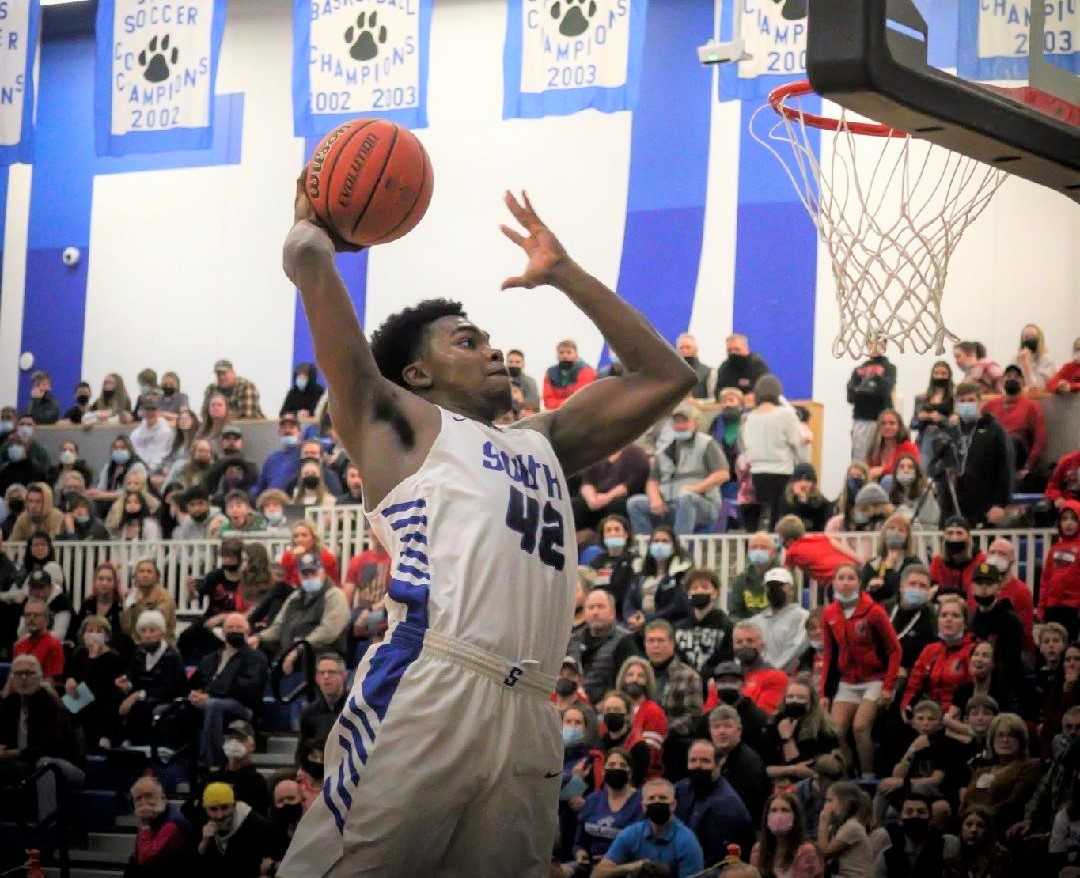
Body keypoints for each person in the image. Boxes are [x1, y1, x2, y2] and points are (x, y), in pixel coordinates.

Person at [277, 186, 695, 878]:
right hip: (432, 686)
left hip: (531, 708)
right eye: (468, 343)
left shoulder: (542, 441)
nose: (494, 352)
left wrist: (565, 273)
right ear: (417, 374)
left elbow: (665, 375)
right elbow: (311, 267)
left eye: (491, 342)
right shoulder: (398, 423)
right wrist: (313, 225)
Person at [821, 562, 902, 778]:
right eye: (841, 578)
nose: (845, 583)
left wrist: (888, 686)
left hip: (874, 678)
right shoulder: (829, 613)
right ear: (834, 583)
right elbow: (829, 654)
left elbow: (895, 649)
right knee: (836, 731)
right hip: (848, 680)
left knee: (860, 727)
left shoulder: (874, 611)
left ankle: (868, 775)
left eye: (851, 578)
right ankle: (847, 774)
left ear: (859, 583)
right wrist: (823, 693)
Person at [627, 402, 728, 536]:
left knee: (686, 498)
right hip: (670, 503)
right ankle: (647, 544)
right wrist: (655, 498)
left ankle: (679, 544)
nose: (680, 426)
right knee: (635, 503)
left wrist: (695, 489)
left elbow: (722, 474)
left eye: (684, 421)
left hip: (703, 504)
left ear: (695, 423)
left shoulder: (706, 443)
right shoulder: (663, 450)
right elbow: (652, 481)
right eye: (676, 422)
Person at [187, 613, 269, 769]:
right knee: (179, 706)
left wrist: (210, 695)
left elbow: (247, 688)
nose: (234, 631)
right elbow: (195, 682)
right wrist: (194, 693)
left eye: (239, 628)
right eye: (230, 627)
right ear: (223, 632)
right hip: (209, 701)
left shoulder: (256, 658)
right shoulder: (210, 658)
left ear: (247, 632)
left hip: (242, 706)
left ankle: (214, 762)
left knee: (214, 705)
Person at [250, 552, 349, 668]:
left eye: (313, 572)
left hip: (323, 658)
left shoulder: (334, 595)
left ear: (323, 572)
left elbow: (327, 632)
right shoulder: (295, 597)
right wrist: (259, 637)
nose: (310, 577)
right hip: (291, 654)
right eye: (305, 574)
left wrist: (299, 648)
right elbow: (278, 627)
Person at [0, 655, 84, 791]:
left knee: (44, 765)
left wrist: (13, 753)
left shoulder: (50, 703)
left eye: (29, 673)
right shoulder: (9, 703)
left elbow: (49, 747)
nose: (23, 678)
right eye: (18, 673)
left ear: (40, 677)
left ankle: (46, 806)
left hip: (59, 762)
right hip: (25, 762)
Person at [594, 777, 704, 878]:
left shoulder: (687, 841)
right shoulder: (631, 833)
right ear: (643, 806)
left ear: (673, 805)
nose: (657, 801)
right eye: (651, 798)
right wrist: (630, 867)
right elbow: (597, 874)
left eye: (663, 798)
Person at [938, 383, 1012, 527]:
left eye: (971, 400)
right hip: (953, 507)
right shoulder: (950, 431)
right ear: (956, 404)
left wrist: (1000, 504)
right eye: (962, 401)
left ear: (980, 402)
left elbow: (1004, 468)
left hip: (984, 506)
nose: (966, 404)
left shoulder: (994, 430)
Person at [741, 374, 805, 531]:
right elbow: (797, 441)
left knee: (763, 517)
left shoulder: (749, 418)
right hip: (783, 472)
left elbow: (746, 446)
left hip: (758, 473)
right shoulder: (786, 414)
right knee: (780, 517)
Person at [675, 738, 754, 863]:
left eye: (705, 761)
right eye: (693, 760)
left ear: (719, 764)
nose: (698, 766)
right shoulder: (681, 789)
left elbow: (714, 857)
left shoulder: (726, 804)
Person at [115, 610, 188, 744]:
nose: (147, 635)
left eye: (152, 631)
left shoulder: (172, 656)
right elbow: (132, 676)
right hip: (142, 695)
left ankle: (136, 744)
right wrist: (126, 683)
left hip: (166, 698)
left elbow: (171, 688)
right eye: (143, 631)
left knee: (141, 705)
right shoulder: (139, 652)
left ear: (161, 633)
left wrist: (138, 694)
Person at [962, 713, 1041, 834]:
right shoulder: (982, 770)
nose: (1005, 740)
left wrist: (980, 817)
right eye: (1000, 735)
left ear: (1021, 741)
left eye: (1011, 736)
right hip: (969, 827)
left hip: (1001, 827)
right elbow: (966, 802)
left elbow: (1014, 803)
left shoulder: (1029, 766)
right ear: (992, 740)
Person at [572, 747, 643, 871]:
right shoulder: (592, 800)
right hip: (590, 865)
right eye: (612, 765)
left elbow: (642, 846)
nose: (616, 768)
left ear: (630, 773)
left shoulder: (641, 803)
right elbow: (579, 843)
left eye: (622, 765)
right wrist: (581, 854)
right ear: (603, 772)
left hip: (624, 869)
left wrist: (610, 861)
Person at [196, 781, 284, 876]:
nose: (219, 815)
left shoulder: (257, 826)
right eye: (213, 809)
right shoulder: (205, 823)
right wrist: (205, 841)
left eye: (225, 808)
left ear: (234, 805)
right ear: (205, 809)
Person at [64, 614, 125, 750]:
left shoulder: (113, 657)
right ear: (83, 635)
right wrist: (70, 680)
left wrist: (94, 655)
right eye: (90, 631)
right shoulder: (79, 653)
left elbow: (109, 686)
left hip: (104, 699)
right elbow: (72, 674)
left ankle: (105, 738)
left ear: (107, 636)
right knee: (65, 704)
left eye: (98, 631)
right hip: (81, 697)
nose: (93, 635)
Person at [983, 363, 1047, 490]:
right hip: (993, 455)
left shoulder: (1032, 407)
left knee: (1011, 440)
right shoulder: (990, 406)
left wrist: (1027, 467)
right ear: (1002, 381)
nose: (1012, 379)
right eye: (1008, 376)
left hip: (1018, 455)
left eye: (1017, 376)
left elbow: (1040, 441)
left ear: (1023, 381)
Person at [763, 678, 839, 784]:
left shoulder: (823, 729)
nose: (794, 701)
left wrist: (787, 739)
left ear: (811, 703)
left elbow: (805, 772)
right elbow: (764, 768)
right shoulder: (775, 723)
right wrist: (792, 769)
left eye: (801, 697)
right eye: (790, 697)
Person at [871, 790, 960, 877]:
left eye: (921, 812)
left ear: (930, 818)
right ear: (900, 819)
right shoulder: (887, 855)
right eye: (909, 812)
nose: (915, 815)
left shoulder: (946, 845)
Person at [708, 705, 771, 827]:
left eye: (728, 726)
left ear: (739, 730)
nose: (722, 731)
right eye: (716, 727)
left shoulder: (748, 763)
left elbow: (743, 809)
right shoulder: (714, 757)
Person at [969, 561, 1026, 693]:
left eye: (989, 584)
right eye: (979, 583)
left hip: (1001, 687)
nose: (984, 588)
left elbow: (1011, 663)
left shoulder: (1010, 621)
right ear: (972, 587)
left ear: (999, 588)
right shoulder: (970, 619)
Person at [197, 720, 273, 817]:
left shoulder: (257, 782)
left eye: (240, 739)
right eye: (230, 738)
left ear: (252, 745)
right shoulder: (211, 778)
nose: (234, 742)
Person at [574, 444, 651, 538]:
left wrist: (607, 497)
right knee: (577, 505)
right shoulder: (597, 454)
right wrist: (592, 499)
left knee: (616, 505)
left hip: (620, 497)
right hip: (596, 498)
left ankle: (612, 536)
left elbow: (631, 484)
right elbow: (586, 482)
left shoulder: (635, 453)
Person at [127, 773, 195, 878]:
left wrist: (145, 826)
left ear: (163, 798)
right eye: (138, 798)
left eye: (148, 796)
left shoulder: (172, 824)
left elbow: (147, 860)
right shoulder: (153, 816)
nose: (143, 802)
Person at [624, 525, 692, 629]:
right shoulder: (639, 571)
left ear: (674, 547)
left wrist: (648, 619)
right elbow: (629, 600)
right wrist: (631, 616)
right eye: (656, 541)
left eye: (665, 541)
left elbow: (678, 605)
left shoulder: (681, 571)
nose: (659, 545)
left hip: (669, 625)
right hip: (639, 624)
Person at [674, 569, 734, 683]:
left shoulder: (726, 625)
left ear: (715, 593)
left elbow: (728, 660)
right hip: (685, 685)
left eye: (705, 587)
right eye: (694, 588)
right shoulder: (678, 628)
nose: (699, 591)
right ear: (688, 593)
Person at [569, 589, 629, 703]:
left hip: (608, 705)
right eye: (591, 607)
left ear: (612, 612)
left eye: (600, 607)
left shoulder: (626, 640)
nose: (595, 612)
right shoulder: (573, 640)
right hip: (574, 704)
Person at [699, 661, 770, 756]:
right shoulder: (706, 720)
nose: (728, 685)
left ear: (743, 684)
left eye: (733, 681)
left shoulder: (756, 716)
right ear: (715, 685)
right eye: (723, 681)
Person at [751, 790, 825, 878]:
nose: (779, 815)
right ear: (767, 816)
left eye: (785, 810)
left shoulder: (806, 851)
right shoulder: (758, 851)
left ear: (795, 817)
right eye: (773, 810)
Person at [749, 567, 809, 673]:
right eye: (770, 587)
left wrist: (772, 672)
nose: (774, 590)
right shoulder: (754, 622)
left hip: (787, 677)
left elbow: (795, 650)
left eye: (780, 586)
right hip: (758, 677)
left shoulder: (802, 617)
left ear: (791, 590)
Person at [848, 336, 897, 463]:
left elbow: (885, 390)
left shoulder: (889, 368)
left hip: (882, 420)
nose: (875, 345)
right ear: (867, 345)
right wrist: (868, 386)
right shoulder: (858, 370)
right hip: (862, 420)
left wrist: (874, 379)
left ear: (885, 345)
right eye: (871, 342)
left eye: (879, 342)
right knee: (860, 460)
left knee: (883, 458)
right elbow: (851, 396)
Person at [979, 537, 1035, 649]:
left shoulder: (1021, 591)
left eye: (1002, 554)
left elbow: (1025, 632)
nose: (996, 557)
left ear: (1012, 560)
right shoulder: (979, 587)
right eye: (992, 552)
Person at [778, 515, 859, 589]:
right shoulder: (819, 538)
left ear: (789, 540)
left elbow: (785, 576)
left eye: (781, 538)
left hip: (835, 579)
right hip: (852, 570)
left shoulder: (791, 551)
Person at [1039, 500, 1080, 640]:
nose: (1069, 523)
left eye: (1073, 519)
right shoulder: (1054, 549)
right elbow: (1045, 580)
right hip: (1052, 607)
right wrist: (1041, 607)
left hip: (1073, 608)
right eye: (1064, 518)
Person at [859, 514, 920, 605]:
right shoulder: (872, 565)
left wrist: (892, 566)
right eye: (892, 528)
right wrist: (869, 589)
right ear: (884, 533)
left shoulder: (913, 563)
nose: (896, 532)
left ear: (907, 537)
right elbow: (861, 595)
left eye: (901, 530)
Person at [732, 620, 789, 716]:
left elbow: (764, 715)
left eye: (750, 641)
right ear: (733, 647)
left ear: (762, 645)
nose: (744, 645)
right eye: (739, 642)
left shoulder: (776, 677)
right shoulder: (725, 676)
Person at [298, 653, 349, 760]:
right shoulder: (309, 713)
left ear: (344, 676)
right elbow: (302, 753)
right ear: (316, 678)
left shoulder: (357, 709)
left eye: (331, 672)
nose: (326, 677)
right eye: (322, 673)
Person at [816, 781, 873, 878]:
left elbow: (823, 853)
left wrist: (823, 821)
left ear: (845, 802)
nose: (825, 805)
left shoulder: (852, 826)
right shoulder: (839, 826)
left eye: (829, 800)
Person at [588, 514, 640, 615]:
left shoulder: (634, 560)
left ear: (626, 534)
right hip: (600, 610)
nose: (613, 533)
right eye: (608, 530)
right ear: (603, 536)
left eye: (617, 529)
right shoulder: (597, 561)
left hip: (625, 612)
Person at [944, 805, 1011, 878]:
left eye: (980, 825)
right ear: (961, 828)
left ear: (987, 830)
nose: (974, 830)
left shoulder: (999, 856)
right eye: (969, 824)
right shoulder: (952, 853)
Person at [929, 516, 986, 598]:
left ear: (968, 536)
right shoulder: (937, 560)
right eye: (950, 533)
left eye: (959, 533)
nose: (954, 537)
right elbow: (933, 588)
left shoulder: (981, 559)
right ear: (944, 536)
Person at [121, 559, 177, 643]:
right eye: (141, 571)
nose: (145, 575)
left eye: (149, 572)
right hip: (136, 644)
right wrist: (126, 604)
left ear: (156, 577)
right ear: (135, 577)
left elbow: (153, 625)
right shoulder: (132, 595)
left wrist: (138, 604)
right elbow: (125, 628)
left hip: (160, 644)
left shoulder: (164, 597)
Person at [729, 531, 779, 619]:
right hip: (747, 625)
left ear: (774, 552)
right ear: (748, 552)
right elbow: (734, 613)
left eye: (764, 547)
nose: (758, 551)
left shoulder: (783, 578)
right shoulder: (741, 579)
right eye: (754, 547)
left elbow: (788, 612)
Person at [13, 598, 65, 680]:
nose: (31, 619)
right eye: (28, 615)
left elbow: (51, 681)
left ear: (46, 619)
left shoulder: (54, 645)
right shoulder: (18, 645)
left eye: (36, 615)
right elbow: (12, 677)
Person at [887, 454, 940, 529]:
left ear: (916, 473)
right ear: (896, 472)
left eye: (910, 467)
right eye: (901, 467)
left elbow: (932, 524)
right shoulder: (892, 495)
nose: (906, 470)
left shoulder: (926, 495)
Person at [866, 410, 920, 483]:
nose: (887, 427)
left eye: (892, 423)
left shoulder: (909, 447)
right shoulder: (875, 448)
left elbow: (912, 470)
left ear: (899, 426)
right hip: (877, 485)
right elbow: (867, 469)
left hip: (902, 484)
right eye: (883, 423)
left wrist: (883, 471)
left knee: (888, 480)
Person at [777, 463, 832, 533]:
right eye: (799, 480)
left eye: (807, 480)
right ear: (792, 482)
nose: (803, 484)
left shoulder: (822, 503)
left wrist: (805, 502)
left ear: (813, 484)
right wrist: (799, 501)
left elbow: (822, 527)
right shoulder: (785, 501)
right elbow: (783, 527)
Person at [542, 338, 596, 410]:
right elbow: (548, 400)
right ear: (557, 355)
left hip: (581, 412)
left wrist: (560, 404)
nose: (565, 356)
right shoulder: (550, 373)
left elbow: (580, 399)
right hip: (557, 412)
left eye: (569, 352)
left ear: (576, 354)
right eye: (561, 353)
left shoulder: (586, 371)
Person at [129, 395, 176, 477]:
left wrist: (147, 473)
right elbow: (133, 452)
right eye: (147, 410)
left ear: (159, 411)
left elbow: (160, 455)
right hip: (139, 469)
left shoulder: (165, 431)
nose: (150, 413)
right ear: (143, 412)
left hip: (158, 470)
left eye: (153, 410)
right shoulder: (136, 433)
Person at [713, 334, 770, 400]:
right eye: (729, 350)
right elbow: (718, 391)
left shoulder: (758, 365)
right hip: (729, 404)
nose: (733, 353)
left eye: (736, 349)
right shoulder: (724, 367)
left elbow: (766, 390)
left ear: (746, 348)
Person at [1015, 322, 1057, 390]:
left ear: (1039, 340)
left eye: (1032, 337)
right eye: (1026, 337)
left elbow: (1037, 387)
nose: (1029, 340)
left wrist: (1026, 366)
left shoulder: (1048, 361)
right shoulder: (1016, 359)